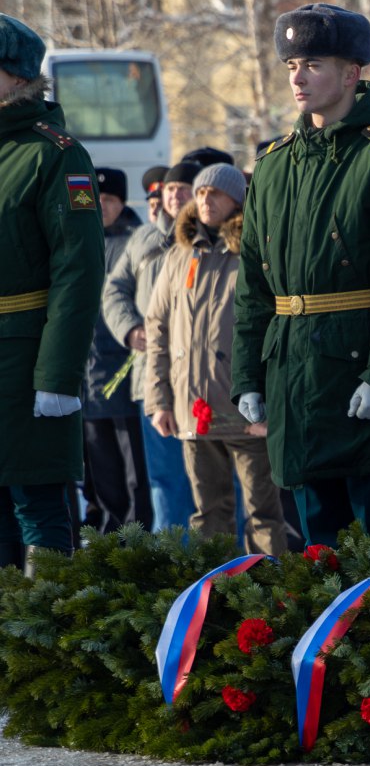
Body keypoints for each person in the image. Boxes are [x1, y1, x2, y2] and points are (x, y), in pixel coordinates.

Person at [233, 3, 370, 547]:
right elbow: (254, 287)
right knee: (316, 548)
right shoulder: (273, 165)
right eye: (291, 65)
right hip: (294, 379)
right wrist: (248, 375)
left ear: (351, 74)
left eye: (313, 64)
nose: (297, 77)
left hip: (360, 372)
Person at [0, 13, 106, 569]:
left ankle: (47, 621)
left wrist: (58, 376)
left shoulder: (54, 154)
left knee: (37, 505)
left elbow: (78, 270)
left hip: (25, 361)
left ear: (18, 77)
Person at [145, 163, 284, 555]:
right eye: (201, 192)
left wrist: (271, 403)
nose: (206, 199)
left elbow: (274, 328)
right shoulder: (180, 254)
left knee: (262, 514)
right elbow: (157, 327)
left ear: (236, 200)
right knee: (207, 513)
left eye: (216, 193)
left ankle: (269, 586)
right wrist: (159, 400)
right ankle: (214, 586)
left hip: (246, 410)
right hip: (193, 410)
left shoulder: (254, 250)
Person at [102, 159, 200, 531]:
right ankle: (171, 554)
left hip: (201, 377)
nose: (175, 195)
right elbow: (113, 292)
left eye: (184, 189)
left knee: (212, 477)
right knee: (164, 478)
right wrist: (130, 329)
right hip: (152, 377)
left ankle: (224, 553)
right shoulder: (143, 239)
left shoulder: (211, 237)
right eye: (170, 189)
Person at [83, 167, 152, 533]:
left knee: (134, 471)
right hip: (89, 378)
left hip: (125, 373)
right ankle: (112, 540)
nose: (102, 206)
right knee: (102, 469)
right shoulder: (81, 240)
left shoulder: (135, 242)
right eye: (96, 199)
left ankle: (137, 536)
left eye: (109, 199)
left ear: (122, 202)